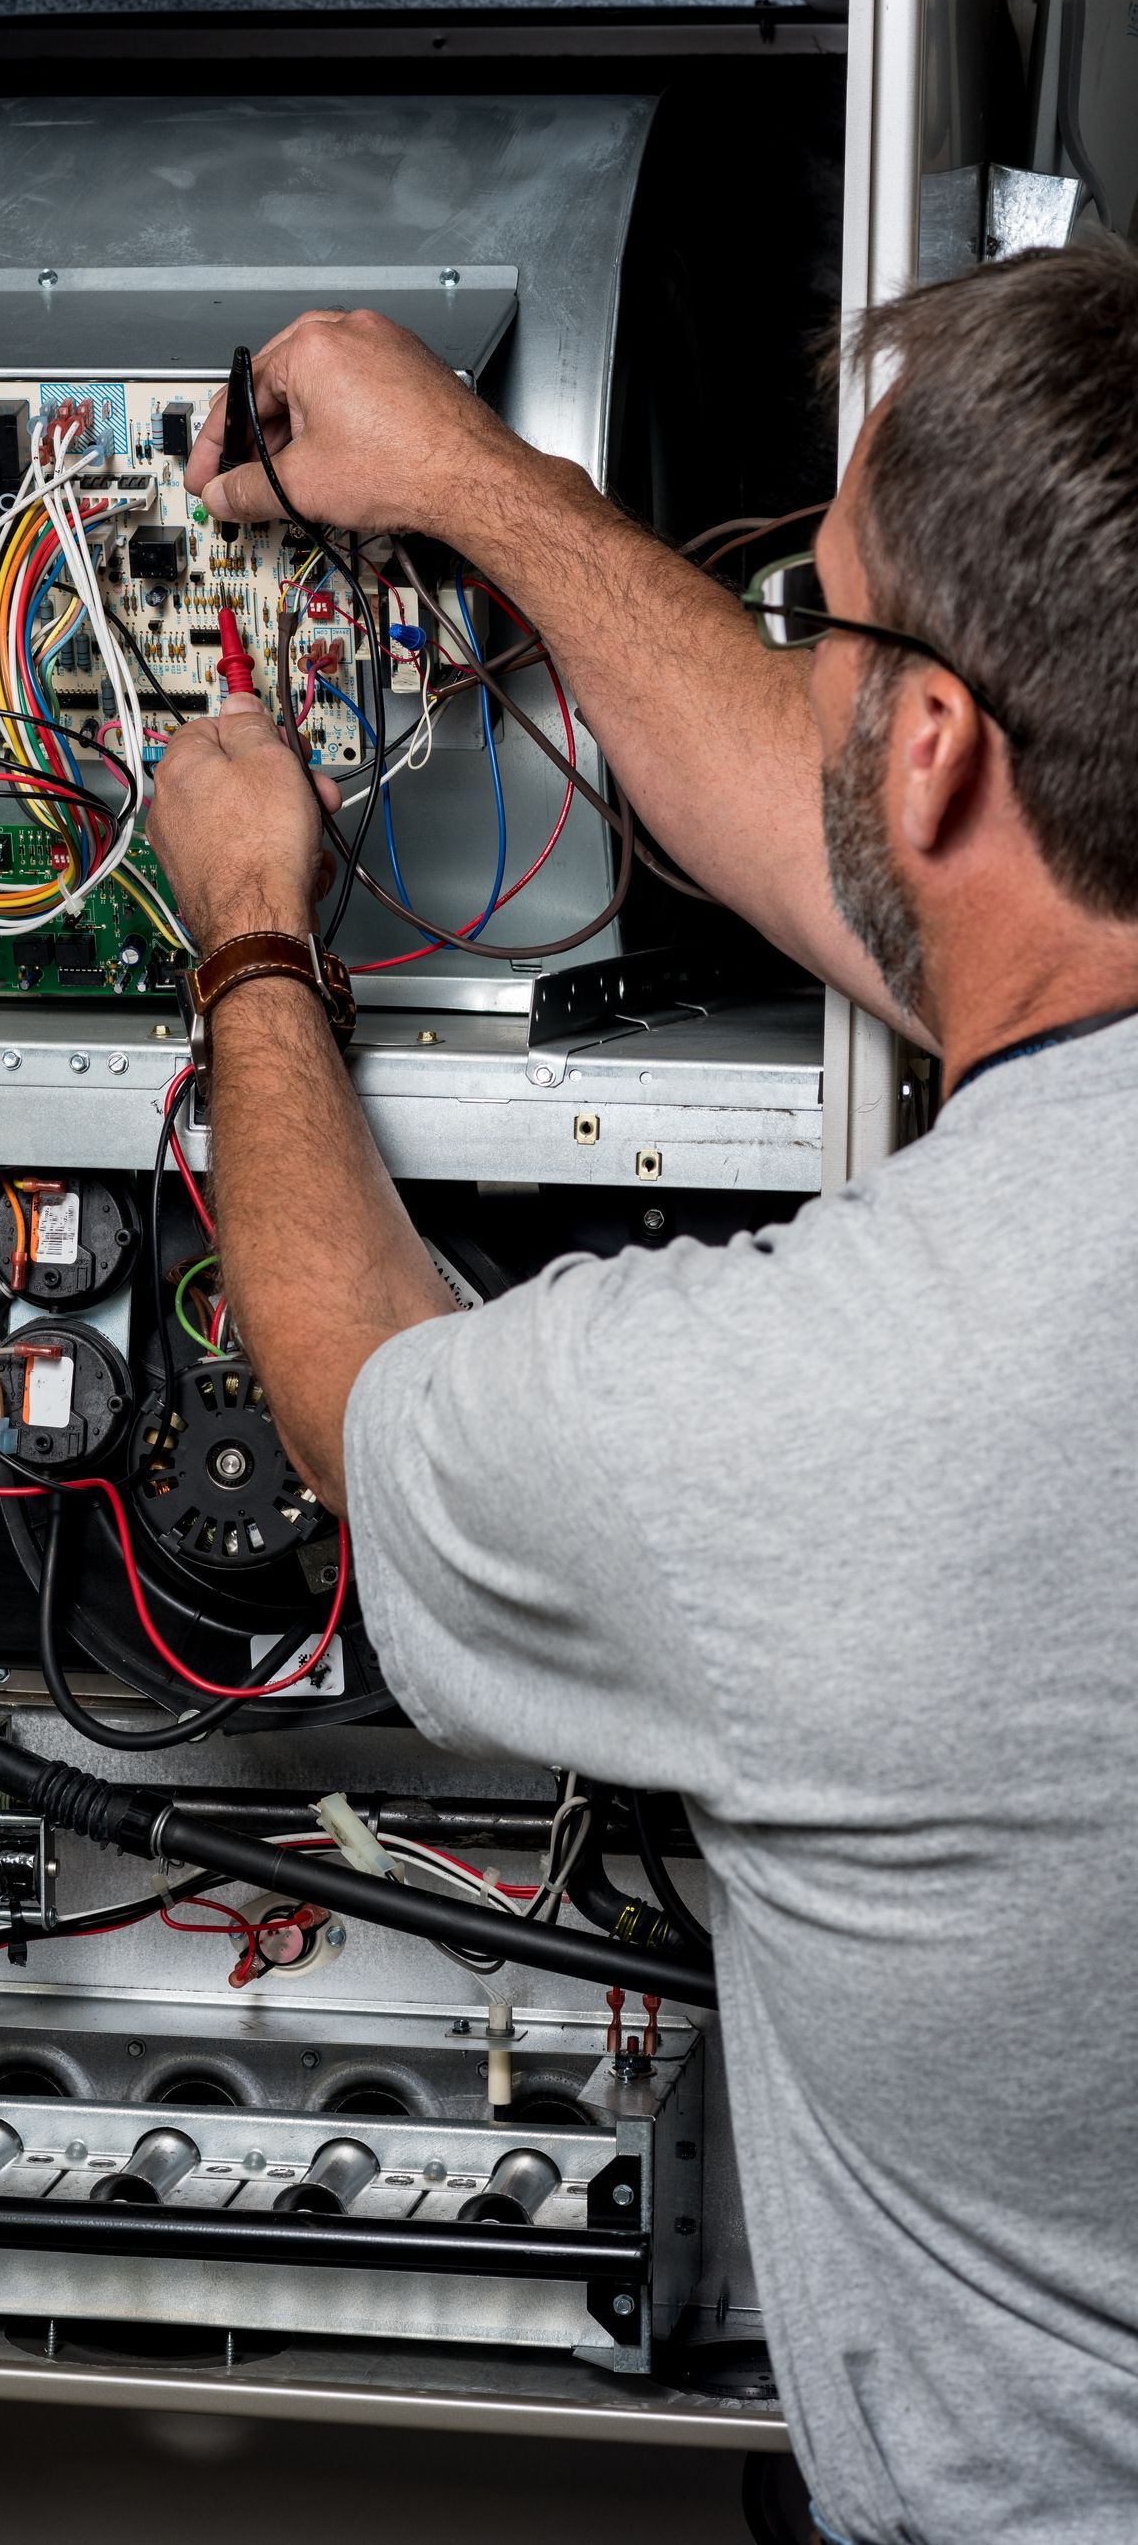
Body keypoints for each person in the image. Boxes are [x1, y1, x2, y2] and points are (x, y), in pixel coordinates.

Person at [142, 248, 1138, 2545]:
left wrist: (255, 936)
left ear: (936, 736)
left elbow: (352, 1383)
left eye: (831, 620)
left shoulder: (824, 1409)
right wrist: (483, 486)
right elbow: (901, 869)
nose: (806, 667)